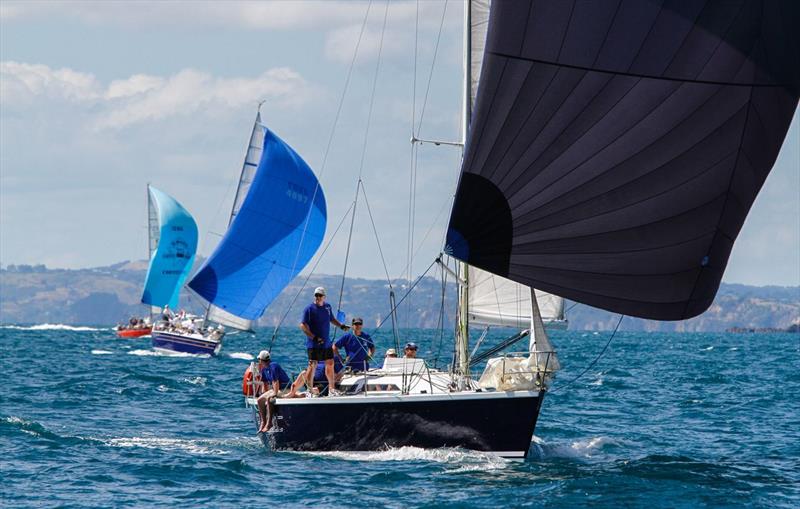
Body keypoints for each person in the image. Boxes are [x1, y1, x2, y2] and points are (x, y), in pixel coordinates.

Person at [290, 287, 349, 397]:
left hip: (326, 342)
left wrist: (341, 326)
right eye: (316, 295)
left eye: (320, 295)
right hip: (314, 343)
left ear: (324, 297)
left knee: (330, 364)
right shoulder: (309, 309)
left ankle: (332, 389)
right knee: (313, 365)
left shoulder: (327, 307)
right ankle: (310, 390)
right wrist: (314, 337)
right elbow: (302, 325)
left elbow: (331, 319)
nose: (318, 297)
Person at [255, 350, 290, 433]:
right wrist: (264, 393)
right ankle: (263, 421)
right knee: (260, 400)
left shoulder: (273, 366)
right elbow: (265, 383)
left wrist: (274, 393)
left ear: (261, 360)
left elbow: (275, 381)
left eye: (259, 359)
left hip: (284, 388)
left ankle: (269, 423)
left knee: (269, 399)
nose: (259, 361)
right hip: (275, 389)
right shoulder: (264, 369)